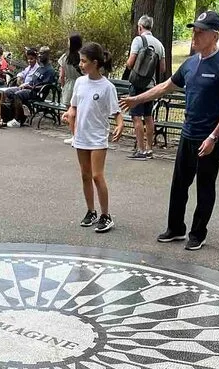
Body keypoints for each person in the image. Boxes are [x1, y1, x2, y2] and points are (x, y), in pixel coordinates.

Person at [120, 10, 219, 251]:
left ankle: (198, 233)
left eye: (201, 32)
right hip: (188, 133)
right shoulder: (191, 63)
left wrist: (214, 136)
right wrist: (136, 99)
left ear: (214, 36)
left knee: (205, 185)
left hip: (209, 137)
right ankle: (176, 228)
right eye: (194, 31)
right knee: (179, 184)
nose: (195, 36)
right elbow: (165, 86)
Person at [62, 42, 124, 233]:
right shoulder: (80, 83)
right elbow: (74, 106)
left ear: (95, 63)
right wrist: (69, 114)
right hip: (81, 135)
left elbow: (116, 112)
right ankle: (91, 211)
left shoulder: (107, 87)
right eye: (80, 61)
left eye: (84, 61)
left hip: (97, 137)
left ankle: (106, 215)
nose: (80, 65)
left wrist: (120, 124)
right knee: (85, 175)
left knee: (97, 176)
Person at [126, 15, 166, 160]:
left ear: (140, 27)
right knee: (149, 117)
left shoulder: (138, 40)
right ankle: (149, 149)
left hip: (137, 85)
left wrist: (130, 65)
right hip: (151, 85)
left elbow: (130, 63)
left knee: (136, 116)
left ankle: (140, 149)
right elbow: (163, 68)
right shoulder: (159, 45)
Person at [5, 46, 56, 128]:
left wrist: (31, 87)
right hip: (29, 88)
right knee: (8, 92)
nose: (39, 55)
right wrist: (25, 85)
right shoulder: (41, 68)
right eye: (39, 53)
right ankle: (13, 115)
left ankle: (18, 120)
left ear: (47, 55)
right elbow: (32, 80)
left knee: (18, 95)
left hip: (38, 93)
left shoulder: (49, 70)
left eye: (42, 54)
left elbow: (46, 86)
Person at [59, 33, 83, 145]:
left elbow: (62, 76)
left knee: (71, 113)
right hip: (82, 86)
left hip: (69, 86)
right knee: (81, 114)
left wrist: (63, 86)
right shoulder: (83, 57)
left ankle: (74, 135)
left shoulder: (65, 57)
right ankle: (81, 135)